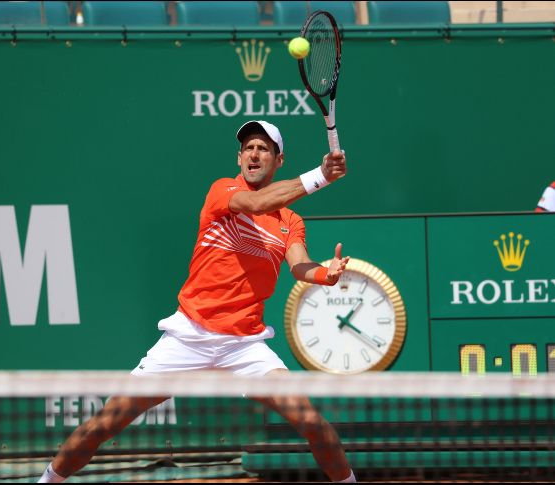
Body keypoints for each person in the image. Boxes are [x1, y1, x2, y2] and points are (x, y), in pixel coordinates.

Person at [39, 120, 355, 483]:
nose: (254, 153)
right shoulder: (224, 190)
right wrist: (321, 176)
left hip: (244, 346)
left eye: (264, 148)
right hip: (188, 336)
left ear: (278, 161)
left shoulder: (290, 222)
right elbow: (256, 201)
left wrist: (324, 274)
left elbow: (300, 265)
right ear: (239, 157)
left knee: (310, 420)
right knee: (108, 420)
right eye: (248, 147)